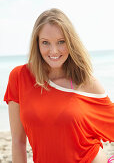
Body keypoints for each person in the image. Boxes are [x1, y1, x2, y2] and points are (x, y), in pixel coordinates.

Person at [4, 8, 114, 163]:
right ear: (37, 44)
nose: (54, 51)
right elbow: (18, 141)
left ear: (70, 42)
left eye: (61, 42)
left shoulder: (86, 82)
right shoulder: (19, 77)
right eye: (45, 43)